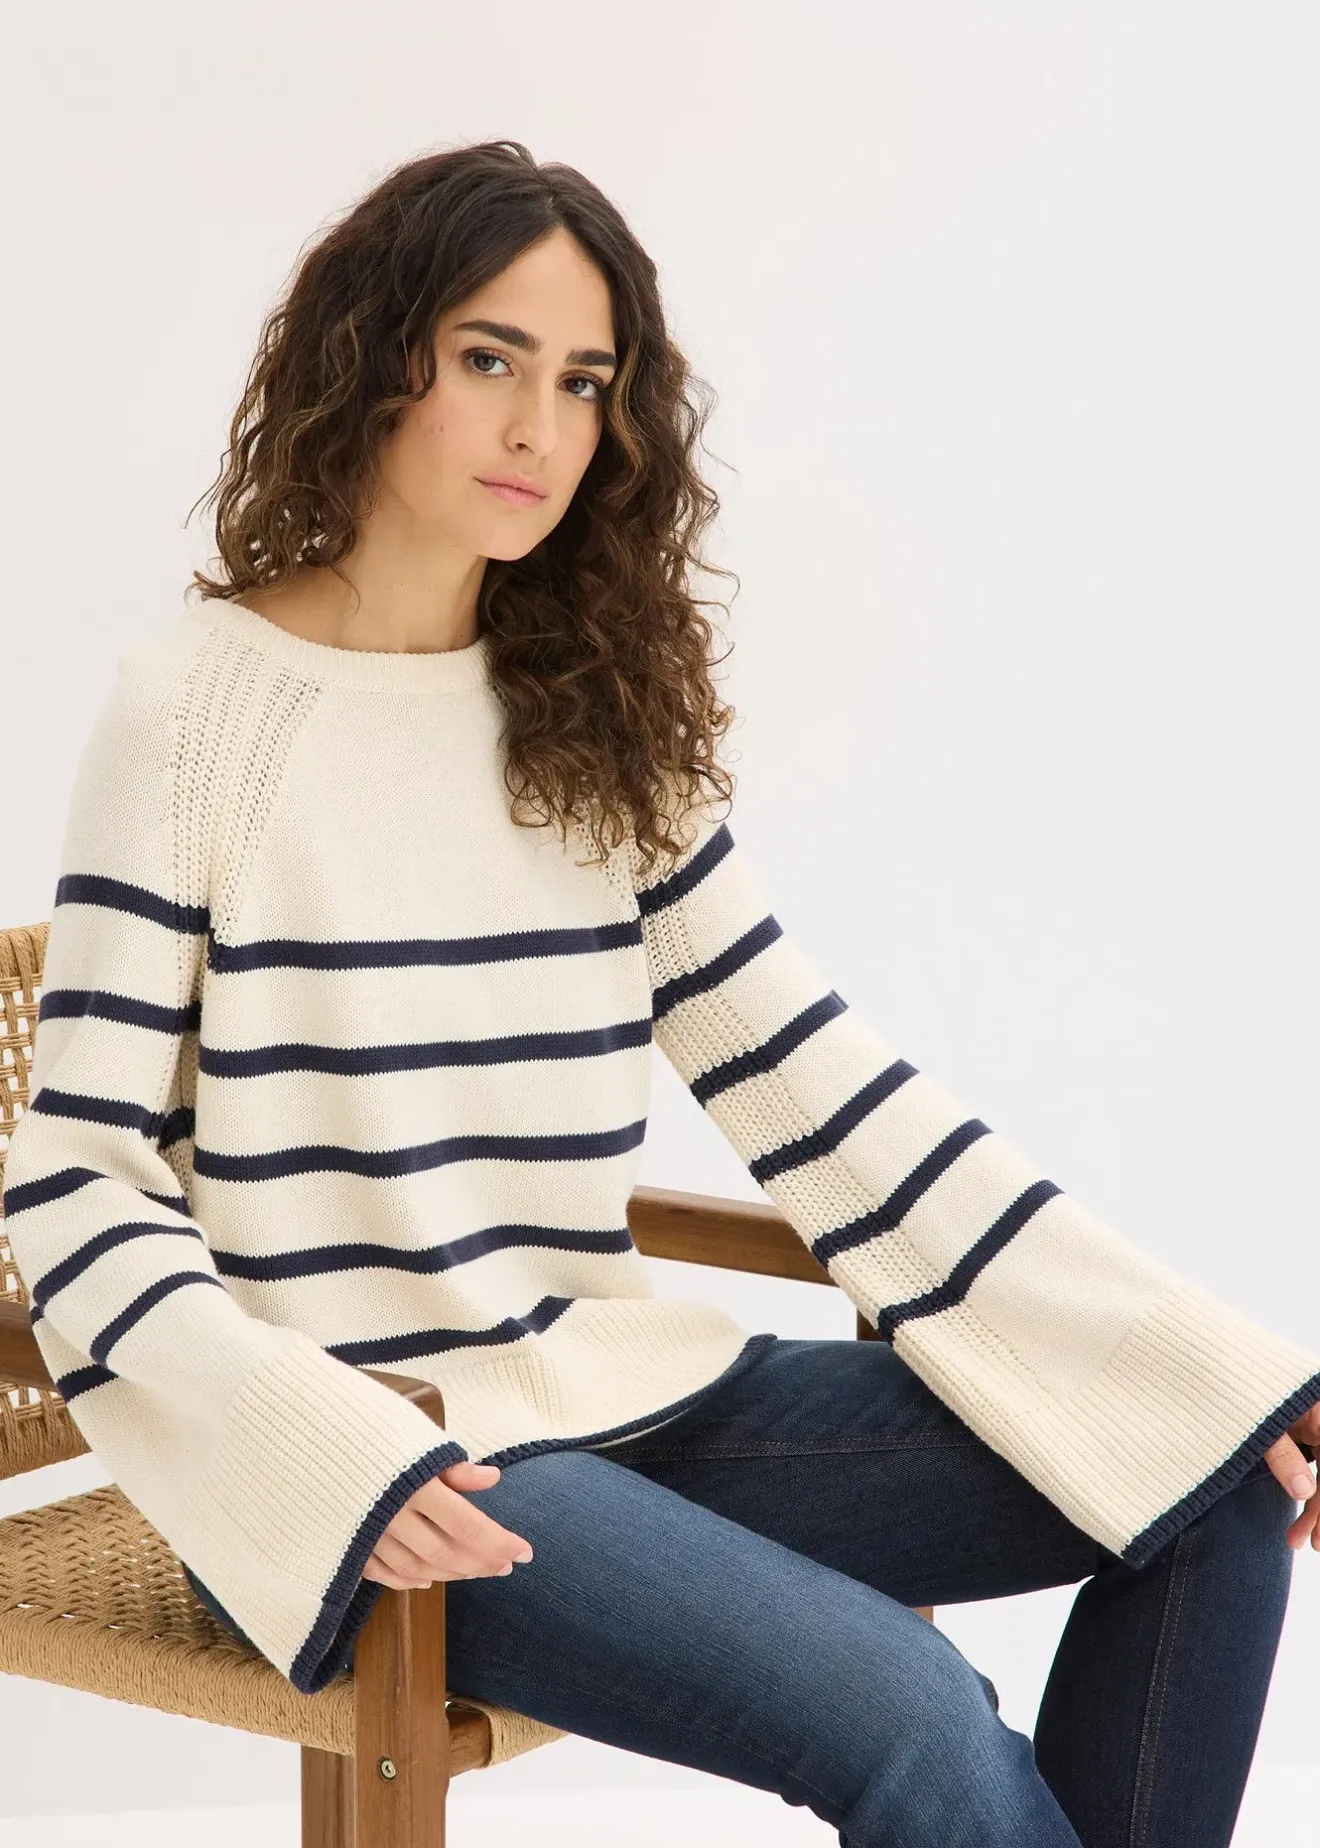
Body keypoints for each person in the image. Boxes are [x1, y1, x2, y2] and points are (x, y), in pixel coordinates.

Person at [4, 138, 1318, 1848]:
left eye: (582, 381)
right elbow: (77, 1179)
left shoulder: (589, 709)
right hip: (386, 1461)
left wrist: (1216, 1362)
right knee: (912, 1712)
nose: (540, 430)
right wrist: (314, 1446)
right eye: (490, 360)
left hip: (624, 1392)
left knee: (1212, 1469)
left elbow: (812, 1077)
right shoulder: (196, 714)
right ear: (372, 360)